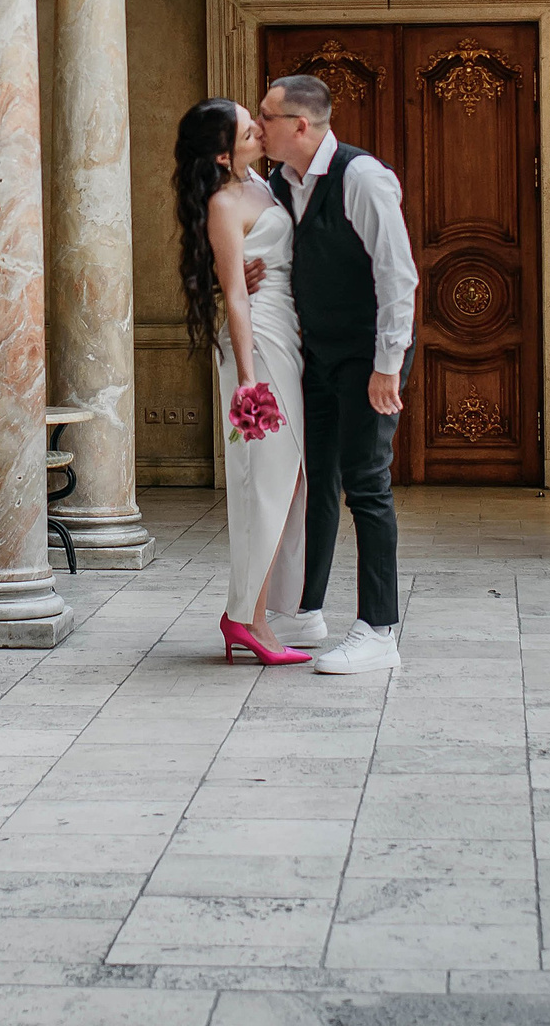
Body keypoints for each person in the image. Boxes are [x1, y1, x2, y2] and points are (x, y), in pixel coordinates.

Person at [257, 72, 419, 674]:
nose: (258, 125)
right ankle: (305, 610)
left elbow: (397, 277)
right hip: (314, 353)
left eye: (267, 117)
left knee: (367, 484)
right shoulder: (280, 182)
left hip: (367, 356)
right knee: (316, 477)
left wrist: (387, 367)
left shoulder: (361, 177)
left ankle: (379, 630)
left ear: (300, 125)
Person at [172, 98, 312, 667]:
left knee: (291, 475)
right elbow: (232, 294)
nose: (257, 124)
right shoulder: (224, 202)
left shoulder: (264, 180)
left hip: (288, 331)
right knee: (266, 479)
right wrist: (248, 383)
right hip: (258, 346)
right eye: (245, 124)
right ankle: (246, 618)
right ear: (225, 152)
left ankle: (255, 610)